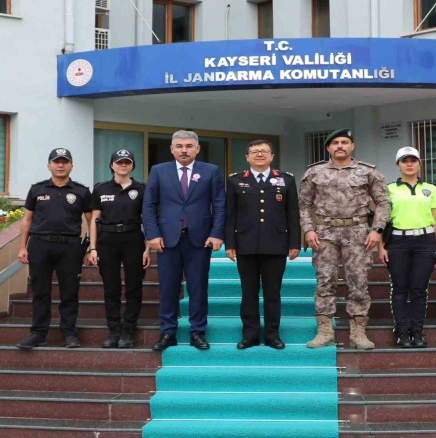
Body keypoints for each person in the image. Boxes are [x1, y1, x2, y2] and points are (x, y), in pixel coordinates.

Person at [299, 128, 391, 350]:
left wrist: (377, 230)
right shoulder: (314, 172)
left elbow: (384, 202)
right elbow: (304, 204)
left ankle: (358, 332)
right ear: (329, 147)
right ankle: (324, 331)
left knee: (358, 283)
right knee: (325, 281)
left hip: (358, 233)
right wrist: (308, 230)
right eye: (335, 143)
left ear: (352, 146)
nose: (340, 146)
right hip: (324, 234)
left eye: (345, 142)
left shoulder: (368, 172)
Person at [142, 130, 226, 351]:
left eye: (189, 146)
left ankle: (197, 332)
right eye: (179, 146)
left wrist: (217, 233)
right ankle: (167, 332)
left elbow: (219, 204)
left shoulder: (210, 171)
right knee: (168, 287)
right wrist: (152, 234)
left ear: (197, 148)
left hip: (199, 240)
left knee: (198, 287)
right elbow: (149, 205)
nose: (184, 150)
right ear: (172, 149)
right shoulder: (159, 171)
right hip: (167, 240)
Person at [225, 140, 301, 350]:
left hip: (276, 244)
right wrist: (230, 243)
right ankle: (250, 335)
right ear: (247, 157)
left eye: (264, 151)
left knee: (272, 292)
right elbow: (230, 215)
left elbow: (292, 214)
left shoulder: (285, 180)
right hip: (245, 244)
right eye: (255, 152)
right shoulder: (235, 181)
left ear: (272, 156)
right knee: (248, 292)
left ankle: (272, 335)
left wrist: (295, 242)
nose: (259, 154)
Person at [16, 148, 92, 349]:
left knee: (70, 291)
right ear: (49, 165)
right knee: (40, 291)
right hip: (40, 244)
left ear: (71, 166)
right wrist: (22, 247)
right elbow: (27, 220)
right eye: (56, 162)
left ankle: (69, 334)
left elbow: (92, 221)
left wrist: (91, 248)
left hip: (70, 246)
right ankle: (38, 333)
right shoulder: (37, 189)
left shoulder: (81, 191)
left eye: (64, 162)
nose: (60, 165)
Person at [378, 147, 436, 349]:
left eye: (413, 160)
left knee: (419, 289)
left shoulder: (431, 189)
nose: (409, 164)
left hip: (425, 241)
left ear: (419, 163)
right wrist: (381, 247)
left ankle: (417, 331)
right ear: (398, 165)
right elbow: (381, 221)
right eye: (404, 161)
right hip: (398, 242)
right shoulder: (389, 189)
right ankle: (402, 332)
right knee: (399, 288)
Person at [87, 149, 150, 349]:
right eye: (119, 162)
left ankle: (128, 329)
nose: (123, 165)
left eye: (127, 162)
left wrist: (148, 248)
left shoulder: (141, 189)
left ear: (132, 166)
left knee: (133, 286)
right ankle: (114, 329)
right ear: (112, 165)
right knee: (111, 287)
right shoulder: (100, 189)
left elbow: (148, 221)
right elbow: (93, 221)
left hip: (133, 240)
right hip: (107, 241)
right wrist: (93, 248)